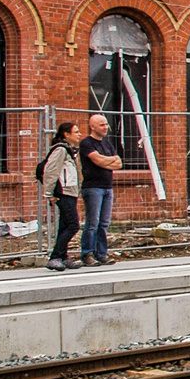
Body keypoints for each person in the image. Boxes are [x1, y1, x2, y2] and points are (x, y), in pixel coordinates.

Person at [79, 113, 122, 266]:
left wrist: (105, 161)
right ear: (92, 127)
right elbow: (96, 160)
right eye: (102, 125)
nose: (106, 128)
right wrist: (107, 160)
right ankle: (87, 254)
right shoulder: (86, 143)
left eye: (106, 124)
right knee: (92, 222)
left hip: (107, 187)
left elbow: (119, 163)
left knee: (104, 223)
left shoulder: (107, 144)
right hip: (93, 188)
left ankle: (101, 253)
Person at [40, 121, 82, 271]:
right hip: (63, 192)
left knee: (64, 225)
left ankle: (63, 256)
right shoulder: (61, 150)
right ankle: (55, 256)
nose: (79, 134)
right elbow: (51, 170)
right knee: (73, 225)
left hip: (70, 191)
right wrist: (49, 192)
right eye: (76, 132)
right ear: (67, 134)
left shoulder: (70, 150)